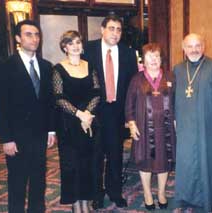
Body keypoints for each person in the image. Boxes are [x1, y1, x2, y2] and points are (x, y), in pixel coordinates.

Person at [0, 20, 56, 213]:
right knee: (18, 180)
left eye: (37, 34)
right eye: (29, 34)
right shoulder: (5, 66)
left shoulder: (46, 67)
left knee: (39, 178)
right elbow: (0, 105)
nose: (34, 38)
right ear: (18, 38)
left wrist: (51, 130)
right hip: (16, 136)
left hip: (39, 134)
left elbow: (50, 103)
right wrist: (6, 139)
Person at [83, 14, 138, 209]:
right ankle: (96, 194)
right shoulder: (87, 50)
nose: (115, 33)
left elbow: (132, 87)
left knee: (115, 154)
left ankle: (115, 192)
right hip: (95, 111)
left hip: (117, 112)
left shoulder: (128, 54)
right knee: (96, 155)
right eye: (112, 28)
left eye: (119, 30)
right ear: (102, 29)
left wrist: (130, 115)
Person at [174, 33, 212, 212]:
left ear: (204, 46)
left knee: (210, 161)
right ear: (183, 48)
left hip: (209, 125)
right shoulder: (177, 69)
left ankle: (211, 198)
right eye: (190, 46)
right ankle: (187, 196)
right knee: (187, 161)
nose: (194, 49)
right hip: (185, 126)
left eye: (198, 45)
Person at [52, 31, 100, 213]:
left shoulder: (90, 66)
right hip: (69, 124)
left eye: (78, 42)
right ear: (64, 47)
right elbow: (59, 97)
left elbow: (97, 92)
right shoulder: (58, 69)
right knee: (72, 164)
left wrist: (88, 114)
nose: (75, 46)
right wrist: (80, 114)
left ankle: (86, 201)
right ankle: (75, 202)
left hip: (89, 122)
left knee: (89, 163)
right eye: (70, 43)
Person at [125, 43, 176, 210]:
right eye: (150, 56)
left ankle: (161, 193)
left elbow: (178, 103)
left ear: (161, 59)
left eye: (157, 56)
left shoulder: (170, 77)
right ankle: (147, 193)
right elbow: (129, 104)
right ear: (143, 60)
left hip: (166, 129)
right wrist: (132, 124)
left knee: (164, 161)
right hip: (144, 128)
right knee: (145, 161)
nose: (154, 59)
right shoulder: (136, 79)